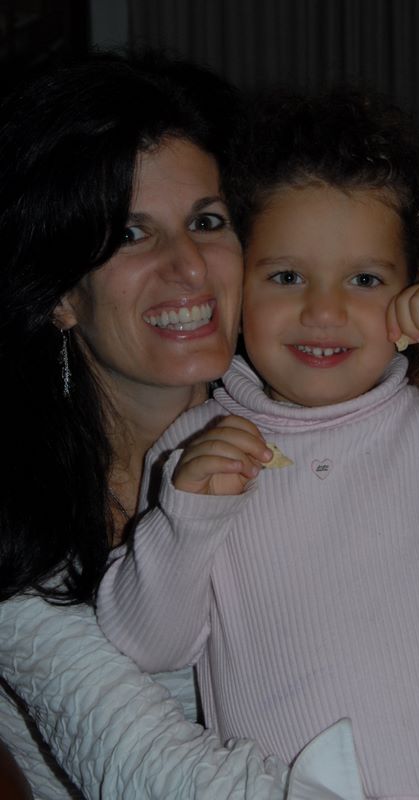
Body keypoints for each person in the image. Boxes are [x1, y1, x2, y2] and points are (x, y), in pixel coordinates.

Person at [97, 88, 419, 798]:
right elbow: (148, 645)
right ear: (239, 288)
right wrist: (186, 518)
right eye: (287, 276)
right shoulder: (195, 449)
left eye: (364, 279)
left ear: (418, 294)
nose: (324, 310)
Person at [0, 55, 362, 799]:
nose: (190, 266)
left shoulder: (319, 430)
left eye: (206, 221)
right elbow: (154, 773)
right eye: (133, 233)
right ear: (60, 293)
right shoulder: (17, 518)